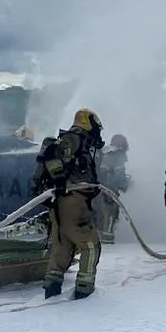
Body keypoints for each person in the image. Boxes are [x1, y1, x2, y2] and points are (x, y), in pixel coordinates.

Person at [36, 108, 105, 299]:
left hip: (59, 203)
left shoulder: (75, 142)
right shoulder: (74, 139)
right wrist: (59, 179)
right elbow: (52, 154)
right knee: (91, 245)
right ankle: (84, 290)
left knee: (63, 247)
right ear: (87, 123)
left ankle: (52, 289)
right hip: (73, 201)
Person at [95, 133, 130, 245]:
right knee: (110, 214)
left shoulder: (102, 152)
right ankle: (107, 240)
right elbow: (119, 175)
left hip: (95, 190)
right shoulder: (117, 154)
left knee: (98, 215)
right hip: (108, 191)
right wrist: (126, 184)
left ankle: (97, 239)